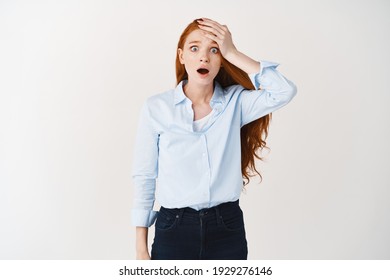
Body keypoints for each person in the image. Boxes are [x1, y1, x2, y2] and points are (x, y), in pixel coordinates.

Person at [131, 18, 297, 260]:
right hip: (173, 229)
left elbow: (284, 91)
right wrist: (141, 248)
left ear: (222, 60)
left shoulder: (236, 102)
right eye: (194, 48)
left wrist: (233, 52)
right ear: (181, 56)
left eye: (214, 50)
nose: (203, 58)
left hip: (226, 228)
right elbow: (144, 176)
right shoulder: (157, 108)